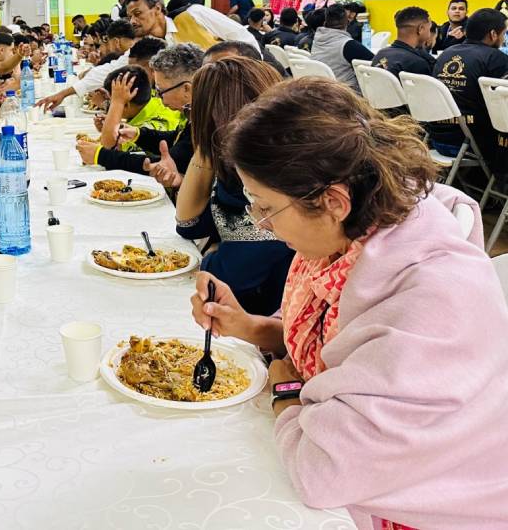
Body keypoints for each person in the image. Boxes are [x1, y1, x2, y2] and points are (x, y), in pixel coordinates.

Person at [190, 78, 508, 530]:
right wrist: (250, 327)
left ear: (332, 201)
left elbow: (325, 473)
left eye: (265, 207)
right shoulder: (355, 235)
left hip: (442, 509)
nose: (262, 223)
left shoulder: (432, 300)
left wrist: (286, 395)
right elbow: (345, 349)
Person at [175, 58, 293, 316]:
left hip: (269, 322)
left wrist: (217, 252)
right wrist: (205, 148)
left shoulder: (271, 180)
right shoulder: (233, 171)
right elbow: (190, 225)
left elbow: (223, 277)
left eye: (192, 112)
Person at [78, 43, 202, 187]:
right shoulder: (195, 112)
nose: (160, 99)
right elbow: (177, 140)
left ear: (186, 89)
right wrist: (138, 134)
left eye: (161, 91)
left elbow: (164, 165)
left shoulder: (207, 122)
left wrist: (101, 156)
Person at [39, 0, 168, 111]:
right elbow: (113, 69)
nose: (133, 21)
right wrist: (63, 94)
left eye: (138, 14)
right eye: (130, 17)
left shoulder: (184, 27)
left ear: (157, 8)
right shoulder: (145, 42)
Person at [429, 8, 508, 161]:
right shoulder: (495, 58)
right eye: (503, 34)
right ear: (493, 34)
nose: (503, 39)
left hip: (437, 139)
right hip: (472, 144)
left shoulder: (446, 53)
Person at [98, 65, 183, 151]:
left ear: (126, 105)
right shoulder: (154, 103)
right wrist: (110, 124)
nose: (110, 106)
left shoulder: (151, 125)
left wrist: (117, 106)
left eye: (112, 102)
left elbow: (108, 147)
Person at [309, 3, 374, 92]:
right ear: (347, 21)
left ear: (325, 23)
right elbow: (375, 62)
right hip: (344, 95)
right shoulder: (348, 45)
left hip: (320, 90)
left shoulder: (317, 40)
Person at [371, 6, 436, 77]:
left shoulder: (380, 54)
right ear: (420, 29)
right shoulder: (417, 63)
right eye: (429, 29)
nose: (429, 34)